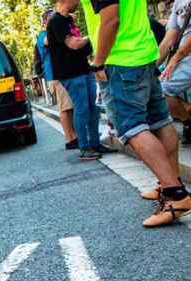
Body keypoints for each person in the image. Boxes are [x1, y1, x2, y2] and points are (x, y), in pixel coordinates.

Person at [82, 0, 191, 227]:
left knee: (132, 128)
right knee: (160, 122)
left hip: (120, 59)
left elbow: (111, 18)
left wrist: (98, 63)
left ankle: (176, 195)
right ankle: (169, 182)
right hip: (143, 53)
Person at [47, 1, 114, 161]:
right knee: (82, 107)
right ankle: (84, 147)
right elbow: (73, 44)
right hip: (69, 73)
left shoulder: (68, 20)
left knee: (93, 107)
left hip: (83, 68)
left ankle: (95, 143)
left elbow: (82, 45)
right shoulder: (56, 21)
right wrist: (95, 35)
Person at [36, 9, 78, 150]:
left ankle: (74, 135)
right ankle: (70, 139)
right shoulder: (43, 35)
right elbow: (48, 41)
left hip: (64, 72)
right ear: (45, 22)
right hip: (55, 75)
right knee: (65, 107)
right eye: (52, 19)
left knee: (70, 106)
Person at [158, 0, 191, 145]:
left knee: (162, 90)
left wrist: (175, 59)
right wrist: (151, 66)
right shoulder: (179, 2)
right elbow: (169, 38)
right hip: (183, 57)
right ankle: (188, 121)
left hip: (184, 56)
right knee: (158, 90)